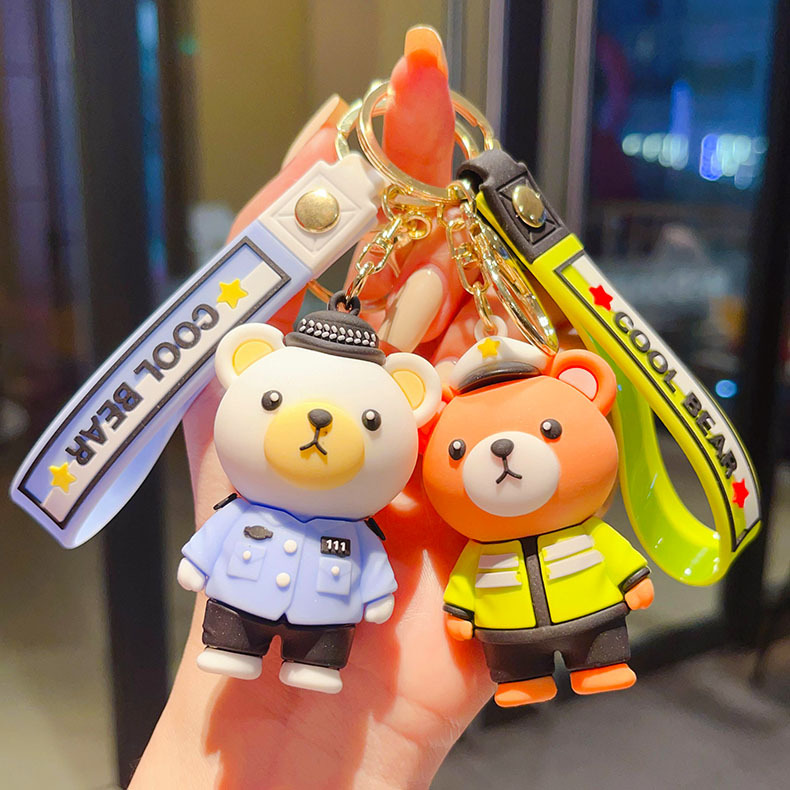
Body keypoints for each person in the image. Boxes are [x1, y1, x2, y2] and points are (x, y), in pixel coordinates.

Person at [130, 27, 579, 789]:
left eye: (374, 420)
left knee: (321, 646)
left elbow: (373, 570)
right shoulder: (243, 505)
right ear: (246, 364)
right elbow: (206, 552)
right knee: (232, 631)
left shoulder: (362, 518)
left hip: (330, 619)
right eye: (277, 400)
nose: (320, 425)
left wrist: (374, 603)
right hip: (240, 599)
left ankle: (314, 662)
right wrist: (197, 565)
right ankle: (237, 647)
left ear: (409, 400)